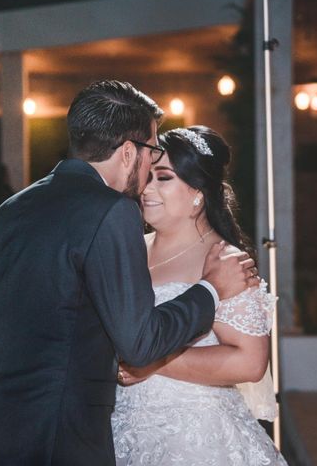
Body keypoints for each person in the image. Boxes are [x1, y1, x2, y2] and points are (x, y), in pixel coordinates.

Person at [0, 81, 259, 466]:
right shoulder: (111, 211)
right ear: (129, 152)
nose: (149, 171)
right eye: (151, 152)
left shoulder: (11, 208)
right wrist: (211, 289)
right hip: (59, 436)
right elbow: (139, 344)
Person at [111, 126, 287, 465]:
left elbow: (250, 362)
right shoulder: (128, 249)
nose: (146, 188)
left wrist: (155, 361)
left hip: (195, 439)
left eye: (163, 178)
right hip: (122, 430)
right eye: (147, 175)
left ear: (198, 192)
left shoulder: (224, 260)